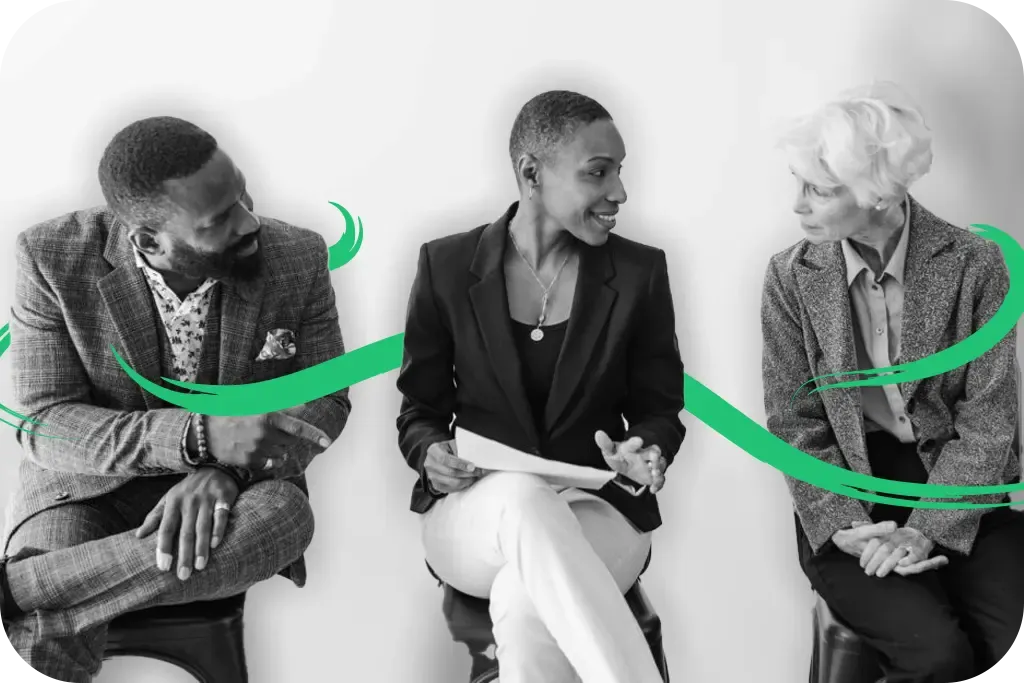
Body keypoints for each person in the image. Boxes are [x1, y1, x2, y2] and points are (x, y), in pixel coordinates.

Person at [0, 116, 351, 682]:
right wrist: (198, 437)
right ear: (147, 240)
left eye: (241, 192)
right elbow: (45, 422)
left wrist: (228, 472)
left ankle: (17, 588)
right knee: (42, 631)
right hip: (81, 496)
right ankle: (40, 589)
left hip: (238, 502)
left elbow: (326, 399)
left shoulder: (297, 256)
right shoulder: (51, 256)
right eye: (219, 220)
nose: (250, 220)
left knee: (285, 517)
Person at [396, 90, 685, 682]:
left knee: (525, 602)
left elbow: (660, 410)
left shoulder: (639, 273)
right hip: (475, 515)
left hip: (600, 513)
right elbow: (419, 410)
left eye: (619, 171)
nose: (619, 193)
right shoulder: (446, 266)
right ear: (531, 173)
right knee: (523, 496)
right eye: (596, 173)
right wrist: (431, 454)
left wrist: (646, 452)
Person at [761, 82, 1024, 682]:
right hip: (849, 492)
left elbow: (988, 425)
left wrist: (928, 530)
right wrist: (844, 525)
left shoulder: (975, 264)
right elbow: (793, 423)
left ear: (878, 195)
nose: (797, 205)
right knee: (937, 657)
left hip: (960, 484)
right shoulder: (789, 277)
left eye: (819, 191)